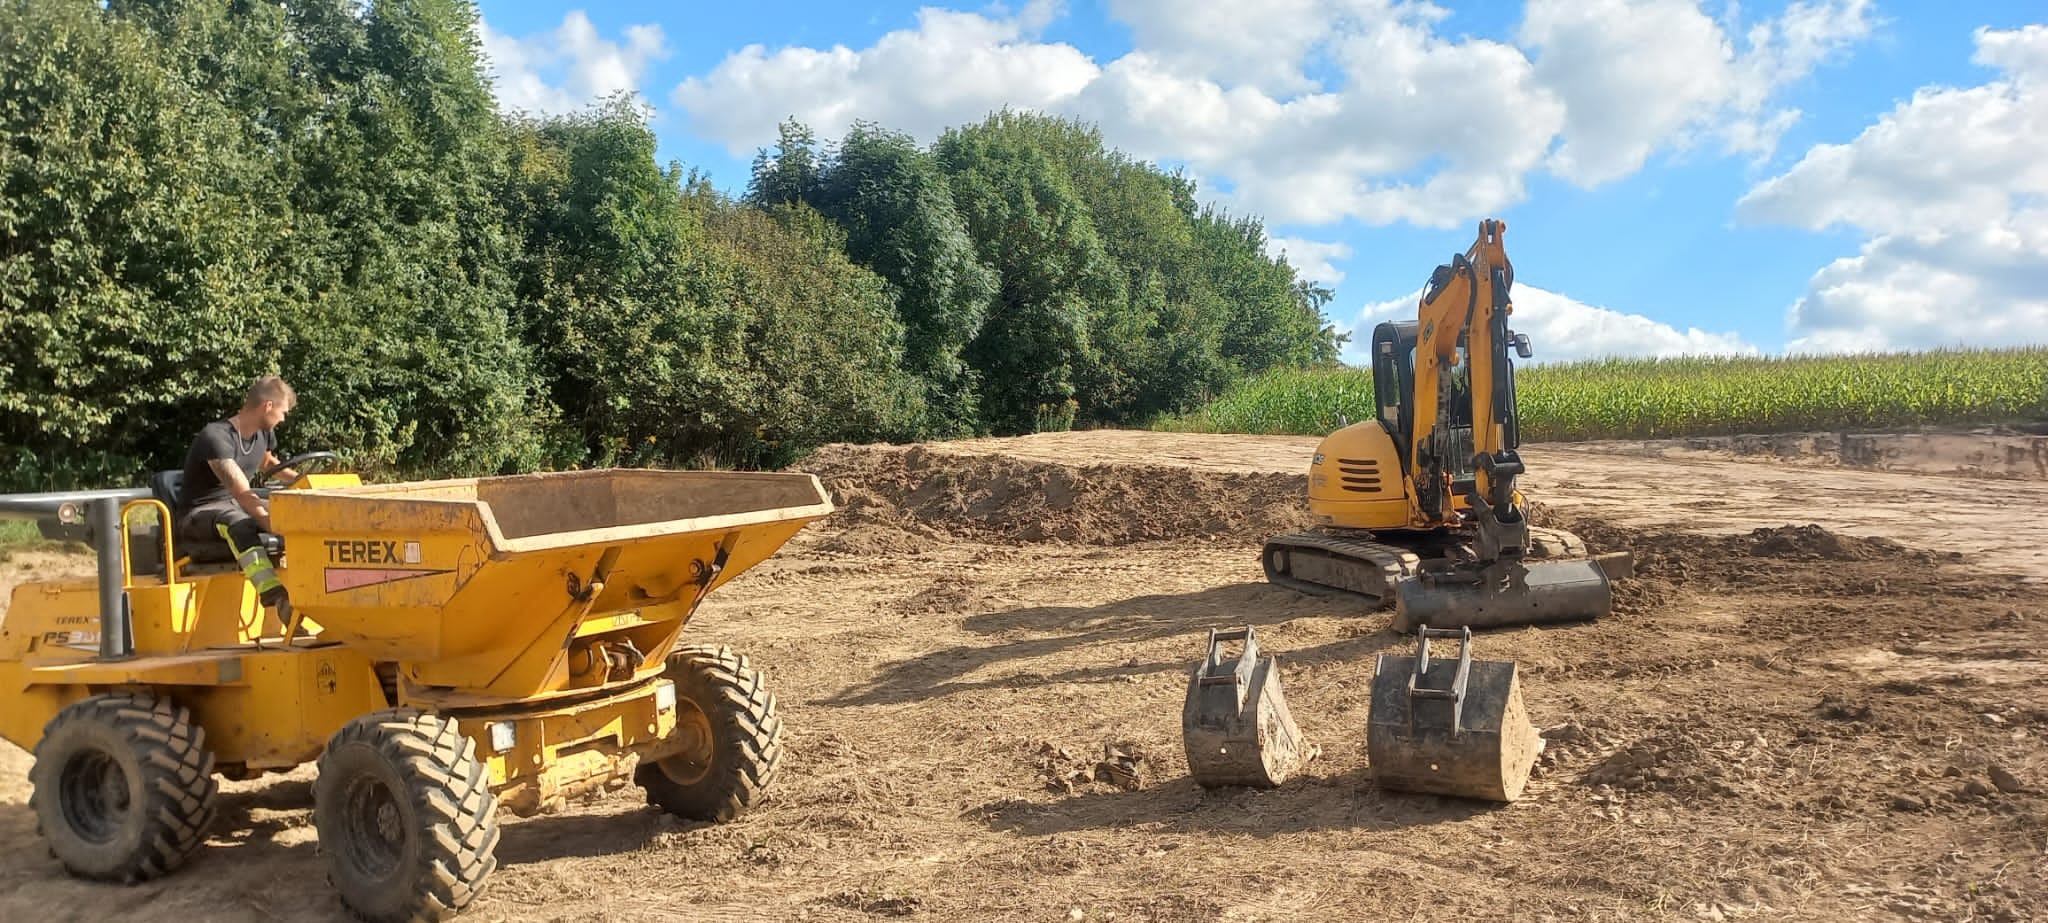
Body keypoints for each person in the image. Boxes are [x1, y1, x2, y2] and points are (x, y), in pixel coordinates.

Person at [175, 375, 301, 608]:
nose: (283, 419)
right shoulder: (215, 438)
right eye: (283, 413)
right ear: (267, 406)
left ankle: (308, 590)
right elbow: (243, 494)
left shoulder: (263, 434)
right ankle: (272, 593)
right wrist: (275, 524)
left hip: (235, 503)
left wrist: (305, 482)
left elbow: (267, 463)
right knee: (239, 522)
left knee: (295, 513)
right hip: (200, 512)